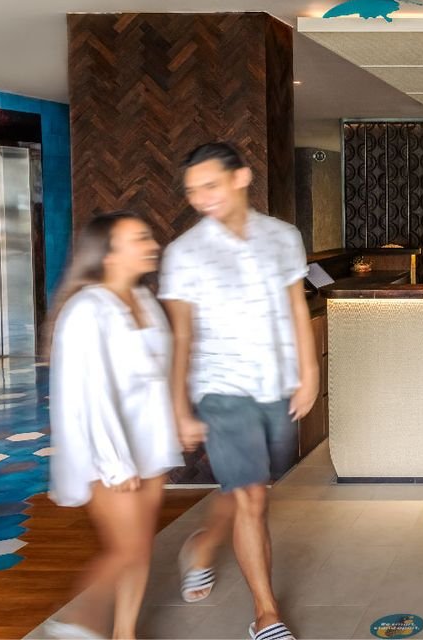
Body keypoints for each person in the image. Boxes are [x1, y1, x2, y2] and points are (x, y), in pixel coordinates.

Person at [159, 143, 317, 640]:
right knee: (251, 497)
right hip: (221, 388)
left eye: (210, 186)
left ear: (241, 178)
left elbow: (296, 306)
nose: (200, 198)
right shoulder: (183, 253)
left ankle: (202, 545)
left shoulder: (283, 237)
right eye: (192, 191)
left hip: (276, 384)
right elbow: (181, 336)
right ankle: (266, 615)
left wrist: (310, 371)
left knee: (250, 487)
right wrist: (179, 406)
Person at [45, 211, 181, 640]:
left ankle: (125, 632)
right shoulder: (86, 309)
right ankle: (76, 621)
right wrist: (114, 463)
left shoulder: (143, 299)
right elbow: (88, 394)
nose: (152, 245)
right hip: (106, 451)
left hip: (150, 443)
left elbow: (159, 374)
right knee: (128, 547)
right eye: (139, 238)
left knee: (141, 547)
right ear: (108, 254)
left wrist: (176, 423)